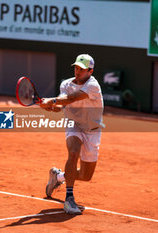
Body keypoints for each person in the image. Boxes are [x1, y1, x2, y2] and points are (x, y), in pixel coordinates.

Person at [39, 54, 104, 215]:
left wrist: (52, 101)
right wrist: (49, 106)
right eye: (76, 68)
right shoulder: (66, 84)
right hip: (73, 125)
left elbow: (72, 98)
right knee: (73, 152)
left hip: (92, 130)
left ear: (90, 71)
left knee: (85, 175)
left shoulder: (93, 85)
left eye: (82, 69)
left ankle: (58, 177)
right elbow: (61, 105)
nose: (77, 71)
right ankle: (69, 199)